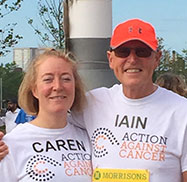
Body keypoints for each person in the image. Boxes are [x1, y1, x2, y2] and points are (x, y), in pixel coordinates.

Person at [0, 19, 187, 182]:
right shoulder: (94, 103)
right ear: (110, 59)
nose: (132, 59)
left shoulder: (181, 112)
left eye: (142, 51)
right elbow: (49, 124)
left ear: (157, 58)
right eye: (123, 51)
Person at [0, 49, 92, 182]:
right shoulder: (12, 144)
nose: (58, 86)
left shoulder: (88, 138)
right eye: (48, 79)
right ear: (35, 90)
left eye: (66, 79)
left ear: (75, 87)